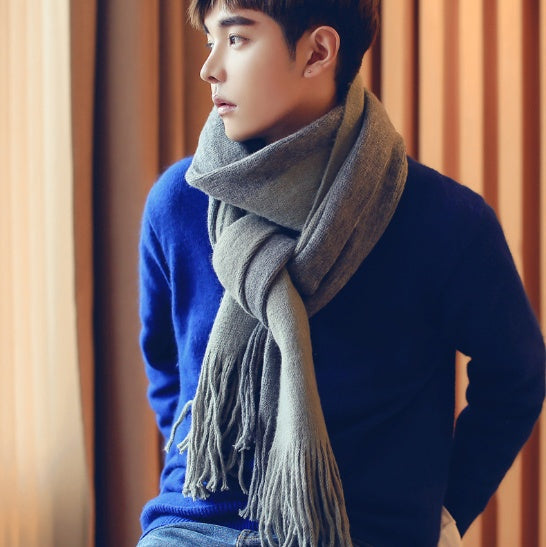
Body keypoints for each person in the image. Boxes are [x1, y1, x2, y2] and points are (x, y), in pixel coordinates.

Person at [136, 1, 545, 545]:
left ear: (318, 52)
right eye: (210, 41)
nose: (209, 68)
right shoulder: (178, 201)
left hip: (360, 532)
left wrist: (446, 512)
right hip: (194, 528)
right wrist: (198, 464)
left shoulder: (441, 220)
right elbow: (166, 365)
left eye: (236, 40)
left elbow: (516, 377)